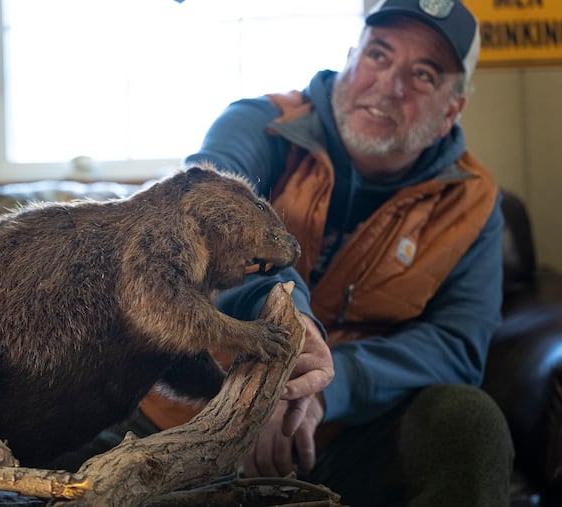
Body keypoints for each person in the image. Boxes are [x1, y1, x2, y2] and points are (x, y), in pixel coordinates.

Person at [136, 0, 515, 505]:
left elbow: (457, 345)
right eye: (379, 55)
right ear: (351, 57)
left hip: (338, 437)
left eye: (423, 74)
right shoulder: (256, 125)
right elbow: (200, 222)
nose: (390, 84)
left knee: (470, 422)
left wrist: (324, 393)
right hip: (181, 413)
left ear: (452, 109)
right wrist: (289, 336)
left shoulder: (472, 201)